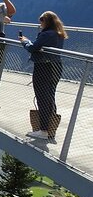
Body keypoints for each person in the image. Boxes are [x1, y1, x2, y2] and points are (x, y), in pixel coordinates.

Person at [20, 11, 67, 139]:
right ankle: (51, 128)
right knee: (50, 96)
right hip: (56, 66)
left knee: (42, 97)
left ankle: (43, 130)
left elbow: (33, 48)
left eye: (41, 21)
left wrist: (25, 41)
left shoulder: (46, 34)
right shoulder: (59, 34)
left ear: (46, 22)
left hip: (43, 67)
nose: (40, 24)